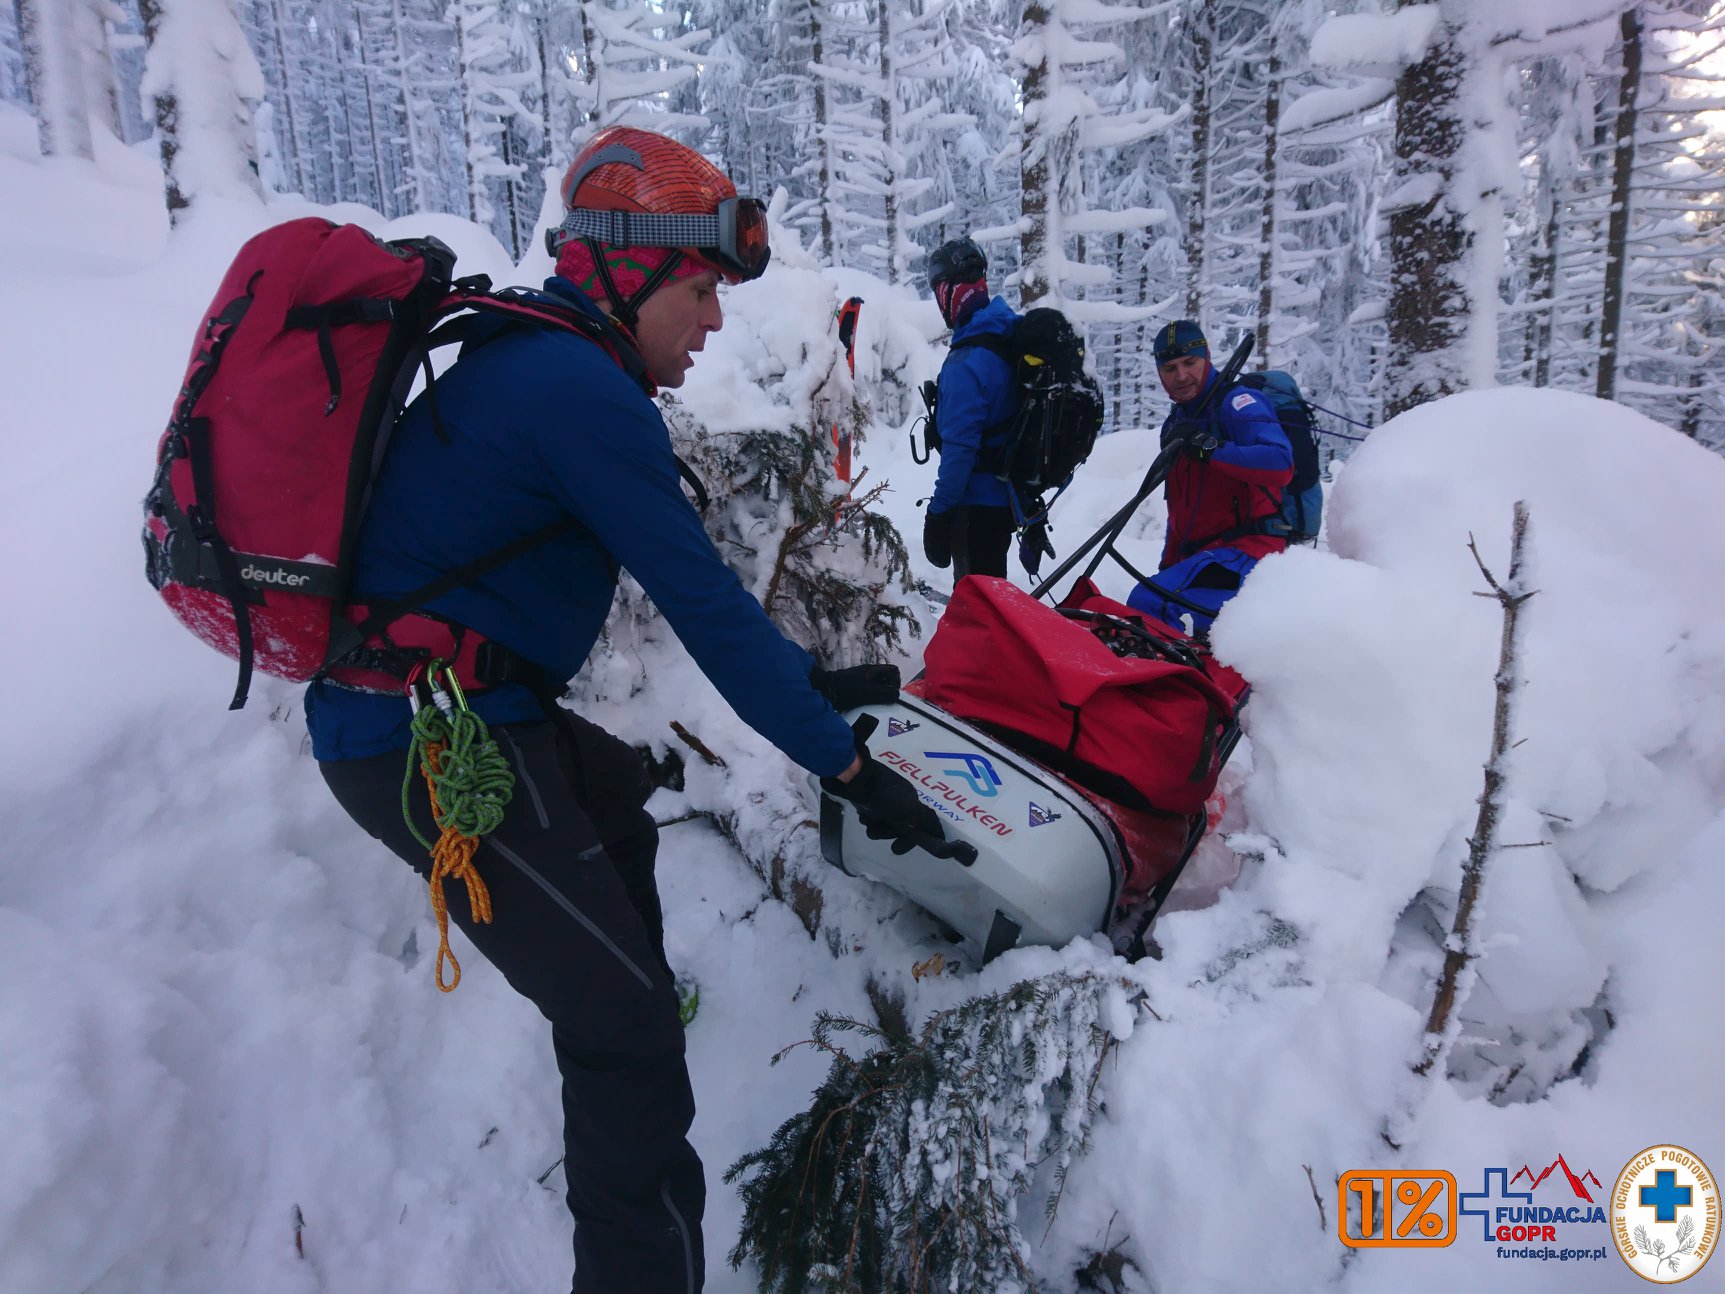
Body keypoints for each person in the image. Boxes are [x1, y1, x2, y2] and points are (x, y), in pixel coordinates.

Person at [304, 126, 944, 1294]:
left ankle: (622, 1015)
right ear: (620, 268)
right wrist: (845, 768)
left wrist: (807, 688)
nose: (710, 322)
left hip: (461, 708)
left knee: (617, 804)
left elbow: (700, 596)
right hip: (421, 739)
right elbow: (702, 602)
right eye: (698, 289)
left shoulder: (546, 366)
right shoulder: (575, 391)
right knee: (628, 1033)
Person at [1129, 319, 1293, 636]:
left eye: (1190, 363)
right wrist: (1169, 569)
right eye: (1170, 368)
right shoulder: (1177, 423)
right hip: (1206, 558)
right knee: (1194, 634)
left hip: (1249, 552)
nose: (1181, 376)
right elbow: (1180, 510)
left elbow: (1280, 462)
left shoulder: (1237, 403)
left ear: (1206, 358)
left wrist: (1210, 448)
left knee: (1149, 603)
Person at [921, 236, 1020, 580]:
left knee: (978, 608)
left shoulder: (967, 361)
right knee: (992, 594)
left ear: (949, 291)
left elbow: (960, 452)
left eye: (939, 292)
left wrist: (939, 514)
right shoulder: (1005, 333)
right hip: (1004, 501)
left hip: (977, 504)